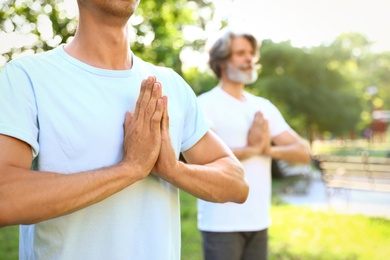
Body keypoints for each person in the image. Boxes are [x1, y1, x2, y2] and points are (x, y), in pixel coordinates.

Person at [0, 1, 250, 259]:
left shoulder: (171, 85)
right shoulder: (25, 77)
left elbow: (237, 183)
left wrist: (173, 169)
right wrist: (130, 168)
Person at [197, 28, 311, 260]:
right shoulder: (204, 104)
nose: (249, 59)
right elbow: (203, 159)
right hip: (221, 223)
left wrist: (267, 149)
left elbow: (303, 152)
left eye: (251, 53)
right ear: (221, 61)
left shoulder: (263, 106)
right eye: (240, 53)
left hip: (259, 221)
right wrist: (251, 150)